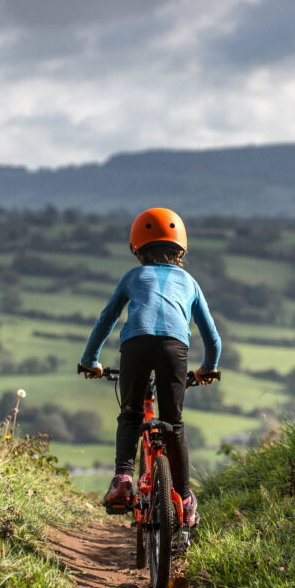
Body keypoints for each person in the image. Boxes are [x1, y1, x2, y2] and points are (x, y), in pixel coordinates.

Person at [78, 207, 221, 528]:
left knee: (130, 414)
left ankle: (124, 479)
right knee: (174, 423)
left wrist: (90, 361)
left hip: (135, 345)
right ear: (181, 248)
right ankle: (183, 497)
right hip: (175, 348)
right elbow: (212, 337)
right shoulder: (190, 282)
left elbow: (106, 321)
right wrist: (207, 369)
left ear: (137, 248)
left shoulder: (132, 277)